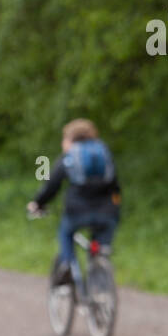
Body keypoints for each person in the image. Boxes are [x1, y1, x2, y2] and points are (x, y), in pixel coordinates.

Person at [27, 119, 122, 281]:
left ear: (70, 139)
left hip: (77, 211)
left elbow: (52, 185)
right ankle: (101, 276)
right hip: (107, 211)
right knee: (99, 248)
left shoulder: (70, 156)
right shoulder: (103, 152)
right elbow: (115, 185)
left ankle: (67, 265)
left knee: (65, 232)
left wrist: (38, 203)